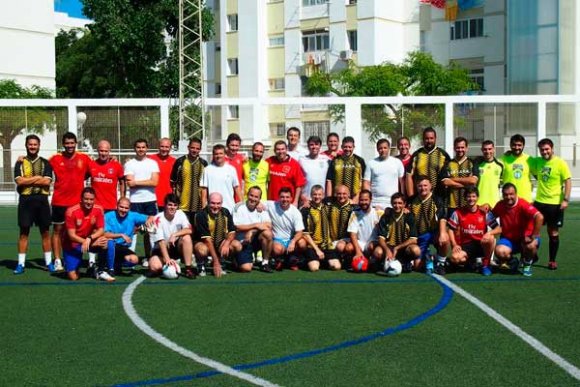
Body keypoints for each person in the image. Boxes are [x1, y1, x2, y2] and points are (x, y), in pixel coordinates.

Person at [49, 132, 92, 272]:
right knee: (58, 231)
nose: (69, 146)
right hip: (59, 202)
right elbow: (42, 166)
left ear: (76, 143)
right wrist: (22, 158)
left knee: (78, 232)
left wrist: (112, 159)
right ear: (63, 144)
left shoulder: (84, 158)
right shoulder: (55, 159)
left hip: (77, 204)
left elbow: (96, 169)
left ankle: (76, 259)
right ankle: (57, 260)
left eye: (72, 143)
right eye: (67, 143)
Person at [13, 134, 54, 274]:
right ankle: (21, 264)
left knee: (45, 233)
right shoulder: (19, 162)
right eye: (30, 144)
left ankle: (49, 263)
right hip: (25, 201)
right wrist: (37, 178)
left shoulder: (45, 162)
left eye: (35, 144)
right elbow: (19, 181)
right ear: (26, 145)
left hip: (42, 200)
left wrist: (28, 180)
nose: (32, 147)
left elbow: (47, 181)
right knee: (24, 233)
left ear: (39, 146)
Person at [531, 138, 572, 270]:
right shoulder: (537, 161)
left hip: (555, 204)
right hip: (539, 203)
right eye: (542, 150)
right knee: (532, 231)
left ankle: (552, 260)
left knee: (552, 232)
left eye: (547, 149)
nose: (544, 152)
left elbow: (568, 181)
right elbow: (524, 161)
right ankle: (532, 255)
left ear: (552, 149)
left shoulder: (560, 163)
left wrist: (566, 199)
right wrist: (509, 152)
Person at [87, 139, 126, 273]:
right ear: (98, 150)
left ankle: (108, 261)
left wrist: (122, 197)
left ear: (110, 151)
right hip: (95, 207)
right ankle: (91, 261)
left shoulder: (116, 166)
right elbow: (82, 177)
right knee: (93, 232)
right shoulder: (91, 165)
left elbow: (122, 181)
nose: (103, 153)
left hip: (110, 206)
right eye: (101, 150)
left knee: (108, 235)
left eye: (106, 151)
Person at [491, 183, 543, 277]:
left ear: (516, 194)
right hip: (509, 239)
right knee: (499, 251)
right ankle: (514, 261)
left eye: (511, 194)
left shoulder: (523, 204)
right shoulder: (500, 205)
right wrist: (496, 227)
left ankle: (527, 263)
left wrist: (534, 236)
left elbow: (539, 217)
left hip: (526, 239)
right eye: (506, 195)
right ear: (502, 195)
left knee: (531, 246)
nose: (508, 197)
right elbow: (489, 217)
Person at [447, 186, 499, 276]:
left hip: (481, 244)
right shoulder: (458, 213)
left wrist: (489, 233)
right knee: (455, 258)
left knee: (491, 238)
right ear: (465, 198)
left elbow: (498, 228)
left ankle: (485, 265)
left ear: (478, 197)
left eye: (473, 196)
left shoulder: (484, 212)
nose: (471, 199)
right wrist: (455, 244)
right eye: (468, 196)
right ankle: (471, 262)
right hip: (466, 245)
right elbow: (451, 229)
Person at [124, 139, 159, 265]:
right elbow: (130, 184)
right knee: (133, 230)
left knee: (150, 230)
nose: (141, 149)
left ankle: (150, 257)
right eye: (138, 147)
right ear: (134, 148)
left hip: (150, 200)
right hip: (135, 201)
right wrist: (146, 181)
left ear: (147, 148)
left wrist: (137, 182)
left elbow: (154, 182)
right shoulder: (129, 164)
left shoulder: (153, 163)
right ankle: (130, 257)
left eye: (143, 147)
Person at [62, 187, 110, 281]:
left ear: (94, 199)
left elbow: (101, 230)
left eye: (91, 199)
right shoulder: (71, 211)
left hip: (86, 240)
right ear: (81, 199)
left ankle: (99, 270)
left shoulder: (99, 209)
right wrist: (86, 241)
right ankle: (73, 264)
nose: (89, 202)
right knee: (74, 277)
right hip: (71, 245)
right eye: (86, 199)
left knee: (104, 241)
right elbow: (71, 236)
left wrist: (89, 238)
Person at [408, 176, 449, 275]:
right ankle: (429, 255)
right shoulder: (411, 200)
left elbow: (442, 217)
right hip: (420, 235)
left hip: (434, 233)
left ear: (431, 186)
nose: (423, 188)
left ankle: (441, 263)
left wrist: (442, 233)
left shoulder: (437, 200)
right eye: (420, 186)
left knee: (445, 239)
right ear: (416, 187)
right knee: (417, 266)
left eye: (425, 185)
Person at [147, 194, 195, 278]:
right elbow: (161, 242)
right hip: (161, 249)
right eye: (170, 205)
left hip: (175, 246)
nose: (172, 207)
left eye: (175, 205)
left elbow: (189, 230)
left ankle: (188, 269)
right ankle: (166, 264)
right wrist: (167, 259)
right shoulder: (157, 219)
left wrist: (175, 234)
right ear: (165, 205)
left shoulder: (180, 214)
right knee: (155, 267)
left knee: (186, 237)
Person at [194, 192, 242, 278]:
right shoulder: (201, 215)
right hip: (204, 244)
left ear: (221, 203)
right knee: (202, 250)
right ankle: (201, 264)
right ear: (208, 202)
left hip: (220, 243)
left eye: (218, 203)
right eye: (212, 203)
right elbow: (207, 240)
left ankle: (222, 261)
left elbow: (232, 231)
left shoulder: (225, 212)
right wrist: (215, 261)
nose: (215, 206)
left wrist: (227, 243)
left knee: (237, 245)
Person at [103, 197, 154, 275]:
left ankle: (116, 264)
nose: (123, 210)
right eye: (121, 207)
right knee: (109, 242)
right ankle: (108, 267)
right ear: (116, 206)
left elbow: (151, 217)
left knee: (134, 260)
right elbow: (105, 234)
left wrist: (148, 221)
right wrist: (121, 235)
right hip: (109, 246)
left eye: (126, 208)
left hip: (122, 247)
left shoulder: (132, 216)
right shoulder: (108, 216)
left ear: (129, 208)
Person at [374, 193, 420, 273]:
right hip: (389, 247)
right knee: (378, 252)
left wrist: (397, 248)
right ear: (391, 203)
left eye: (400, 203)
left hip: (403, 248)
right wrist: (387, 250)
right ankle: (382, 263)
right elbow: (381, 238)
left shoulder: (409, 216)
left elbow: (414, 239)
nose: (397, 205)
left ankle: (406, 261)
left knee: (416, 250)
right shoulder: (386, 217)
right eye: (395, 203)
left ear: (404, 204)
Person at [233, 186, 273, 273]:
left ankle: (265, 263)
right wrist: (255, 225)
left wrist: (252, 231)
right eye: (251, 195)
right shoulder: (238, 207)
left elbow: (269, 225)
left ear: (259, 198)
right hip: (242, 242)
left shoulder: (261, 208)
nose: (253, 199)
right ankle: (235, 259)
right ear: (247, 195)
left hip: (254, 240)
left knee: (268, 233)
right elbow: (236, 227)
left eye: (256, 197)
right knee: (246, 268)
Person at [170, 137, 208, 225]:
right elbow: (173, 184)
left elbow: (205, 187)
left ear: (200, 149)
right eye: (192, 147)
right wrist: (175, 203)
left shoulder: (204, 164)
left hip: (198, 206)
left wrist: (204, 206)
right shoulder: (180, 162)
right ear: (188, 147)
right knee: (183, 232)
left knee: (196, 233)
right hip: (182, 206)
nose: (195, 150)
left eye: (197, 148)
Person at [266, 187, 305, 270]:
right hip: (278, 240)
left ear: (291, 198)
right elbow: (257, 202)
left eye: (287, 197)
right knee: (277, 249)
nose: (285, 199)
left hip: (290, 240)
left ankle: (293, 258)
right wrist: (258, 205)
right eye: (282, 197)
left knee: (302, 243)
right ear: (279, 197)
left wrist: (293, 241)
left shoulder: (295, 212)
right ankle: (280, 259)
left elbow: (300, 232)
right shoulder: (272, 205)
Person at [298, 185, 333, 272]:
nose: (317, 197)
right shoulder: (305, 210)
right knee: (314, 268)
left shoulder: (328, 206)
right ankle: (305, 259)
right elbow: (305, 234)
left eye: (319, 194)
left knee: (336, 266)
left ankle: (323, 260)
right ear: (311, 195)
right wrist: (317, 250)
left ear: (323, 195)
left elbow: (341, 197)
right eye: (315, 194)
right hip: (313, 246)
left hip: (326, 245)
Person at [406, 127, 450, 197]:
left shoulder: (443, 155)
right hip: (420, 197)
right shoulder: (417, 155)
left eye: (431, 138)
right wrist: (411, 198)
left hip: (439, 197)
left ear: (435, 138)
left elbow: (449, 177)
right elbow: (409, 176)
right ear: (423, 139)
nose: (429, 141)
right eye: (426, 138)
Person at [363, 138, 405, 209]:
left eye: (385, 148)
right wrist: (368, 201)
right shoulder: (371, 163)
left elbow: (402, 183)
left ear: (389, 148)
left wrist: (403, 200)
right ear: (377, 149)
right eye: (380, 148)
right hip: (375, 203)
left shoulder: (397, 162)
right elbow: (366, 183)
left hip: (393, 203)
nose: (383, 150)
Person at [442, 137, 478, 215]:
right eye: (458, 147)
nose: (460, 150)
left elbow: (473, 180)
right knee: (451, 227)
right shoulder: (448, 163)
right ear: (454, 148)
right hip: (452, 205)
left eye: (462, 147)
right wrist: (466, 184)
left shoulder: (472, 162)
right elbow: (445, 182)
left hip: (468, 204)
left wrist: (453, 179)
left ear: (466, 148)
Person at [200, 144, 242, 213]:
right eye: (216, 154)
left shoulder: (231, 169)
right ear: (213, 155)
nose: (218, 156)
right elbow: (204, 191)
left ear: (225, 154)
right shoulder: (207, 170)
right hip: (213, 209)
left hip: (229, 208)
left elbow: (237, 188)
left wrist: (242, 204)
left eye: (220, 153)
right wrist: (204, 208)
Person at [347, 189, 382, 268]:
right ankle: (351, 261)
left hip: (372, 243)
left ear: (370, 200)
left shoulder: (378, 212)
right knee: (349, 248)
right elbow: (352, 234)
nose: (363, 202)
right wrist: (358, 251)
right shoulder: (355, 213)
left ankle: (372, 262)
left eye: (366, 200)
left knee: (377, 251)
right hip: (360, 243)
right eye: (361, 200)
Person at [326, 136, 366, 203]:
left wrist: (357, 199)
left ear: (353, 147)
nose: (347, 149)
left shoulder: (359, 161)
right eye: (345, 147)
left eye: (350, 147)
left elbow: (364, 181)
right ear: (341, 147)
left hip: (355, 199)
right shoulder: (335, 161)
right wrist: (329, 199)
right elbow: (329, 181)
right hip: (337, 199)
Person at [266, 140, 306, 206]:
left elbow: (299, 185)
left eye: (282, 149)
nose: (280, 152)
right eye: (278, 149)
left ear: (286, 149)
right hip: (272, 202)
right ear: (274, 151)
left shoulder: (294, 164)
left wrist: (295, 201)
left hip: (287, 203)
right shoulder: (269, 161)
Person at [327, 184, 355, 269]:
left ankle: (347, 260)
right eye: (339, 194)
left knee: (341, 246)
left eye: (344, 194)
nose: (341, 196)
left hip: (346, 240)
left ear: (349, 195)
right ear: (335, 194)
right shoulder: (330, 206)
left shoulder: (353, 208)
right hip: (332, 239)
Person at [500, 134, 534, 202]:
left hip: (525, 200)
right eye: (514, 145)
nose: (516, 147)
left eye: (519, 145)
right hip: (509, 199)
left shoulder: (529, 159)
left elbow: (539, 176)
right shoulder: (503, 159)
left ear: (523, 145)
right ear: (510, 145)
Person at [299, 135, 330, 205]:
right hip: (306, 200)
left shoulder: (326, 160)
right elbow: (298, 180)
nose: (314, 147)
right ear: (308, 146)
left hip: (322, 199)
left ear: (320, 146)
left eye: (316, 144)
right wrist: (302, 197)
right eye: (311, 145)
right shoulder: (301, 160)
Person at [149, 137, 176, 212]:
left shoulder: (174, 162)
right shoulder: (150, 159)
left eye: (167, 147)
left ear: (170, 148)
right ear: (158, 146)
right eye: (162, 146)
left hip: (168, 200)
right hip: (152, 198)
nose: (164, 149)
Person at [475, 140, 503, 207]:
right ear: (481, 150)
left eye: (490, 149)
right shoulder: (476, 164)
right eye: (485, 149)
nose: (487, 152)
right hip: (479, 203)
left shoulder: (500, 165)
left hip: (495, 204)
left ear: (494, 149)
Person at [225, 133, 246, 201]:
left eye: (237, 145)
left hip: (237, 197)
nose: (234, 148)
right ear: (227, 145)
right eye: (232, 145)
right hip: (225, 196)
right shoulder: (221, 158)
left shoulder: (242, 159)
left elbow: (244, 178)